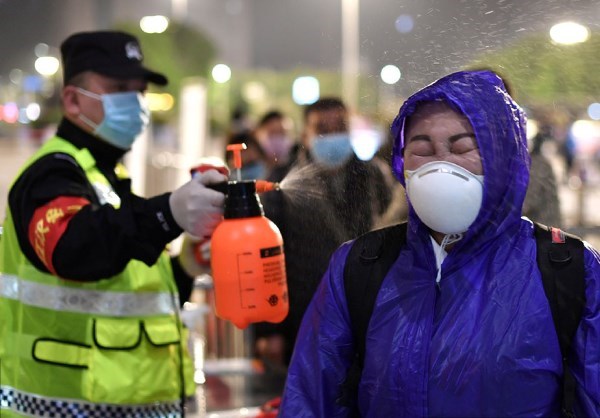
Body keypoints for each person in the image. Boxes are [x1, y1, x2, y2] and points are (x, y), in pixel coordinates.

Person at [279, 70, 600, 416]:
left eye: (461, 147)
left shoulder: (568, 270)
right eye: (422, 149)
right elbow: (311, 398)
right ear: (402, 164)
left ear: (502, 157)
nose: (441, 164)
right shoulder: (359, 266)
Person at [0, 31, 227, 417]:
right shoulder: (51, 174)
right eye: (119, 88)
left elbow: (130, 294)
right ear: (72, 100)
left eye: (139, 91)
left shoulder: (108, 178)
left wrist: (187, 266)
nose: (135, 103)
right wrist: (166, 213)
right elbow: (74, 250)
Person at [254, 97, 405, 369]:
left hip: (363, 314)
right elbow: (266, 257)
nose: (333, 136)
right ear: (306, 135)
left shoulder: (374, 174)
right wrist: (269, 329)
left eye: (340, 127)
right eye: (322, 129)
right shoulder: (281, 180)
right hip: (304, 315)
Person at [523, 123, 562, 226]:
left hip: (544, 225)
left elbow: (528, 202)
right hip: (548, 225)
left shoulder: (536, 165)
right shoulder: (539, 163)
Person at [253, 110, 297, 182]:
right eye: (271, 123)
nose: (275, 126)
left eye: (277, 122)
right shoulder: (258, 146)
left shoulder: (292, 146)